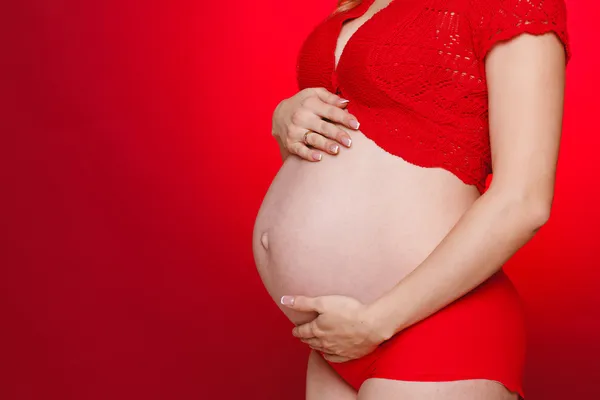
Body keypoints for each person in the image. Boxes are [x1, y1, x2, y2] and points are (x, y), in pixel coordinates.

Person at [252, 0, 571, 399]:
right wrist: (287, 118)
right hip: (336, 336)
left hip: (429, 325)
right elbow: (334, 162)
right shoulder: (363, 3)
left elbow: (524, 200)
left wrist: (377, 322)